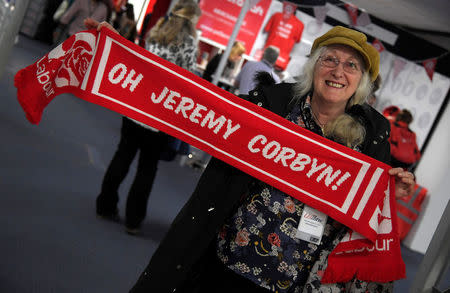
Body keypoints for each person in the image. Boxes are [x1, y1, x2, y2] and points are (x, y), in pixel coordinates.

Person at [85, 0, 201, 235]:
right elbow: (185, 82)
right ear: (193, 18)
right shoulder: (189, 44)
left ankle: (105, 205)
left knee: (122, 155)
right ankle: (133, 220)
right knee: (147, 168)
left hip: (137, 106)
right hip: (159, 115)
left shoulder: (156, 32)